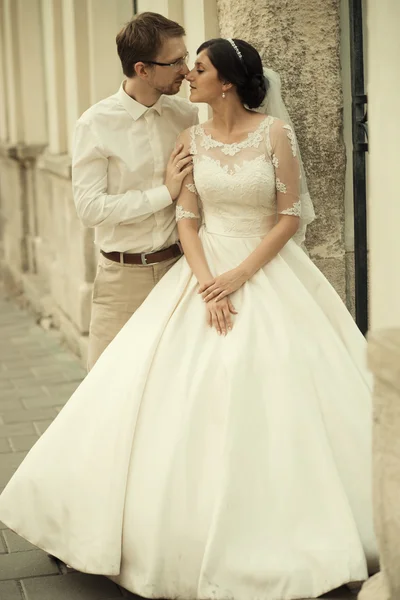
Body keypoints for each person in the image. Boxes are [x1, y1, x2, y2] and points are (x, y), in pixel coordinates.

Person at [0, 37, 379, 600]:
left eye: (196, 67)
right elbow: (188, 218)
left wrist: (237, 277)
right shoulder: (186, 135)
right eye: (181, 64)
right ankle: (96, 516)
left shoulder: (273, 133)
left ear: (225, 80)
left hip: (263, 269)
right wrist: (206, 282)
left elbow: (288, 217)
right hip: (197, 274)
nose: (187, 74)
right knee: (131, 393)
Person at [72, 12, 198, 369]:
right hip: (121, 282)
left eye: (185, 58)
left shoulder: (186, 117)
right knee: (105, 394)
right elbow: (89, 208)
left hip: (179, 272)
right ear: (142, 69)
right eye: (175, 62)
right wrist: (165, 193)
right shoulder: (95, 124)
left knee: (175, 387)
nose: (185, 70)